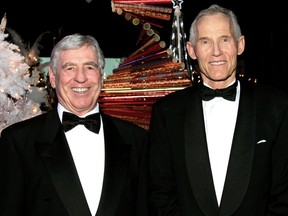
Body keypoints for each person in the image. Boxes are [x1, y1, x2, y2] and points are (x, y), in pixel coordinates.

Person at [147, 4, 288, 216]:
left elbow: (283, 195)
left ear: (240, 45)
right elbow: (160, 193)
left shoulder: (277, 107)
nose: (216, 52)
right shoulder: (166, 113)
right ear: (191, 50)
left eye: (224, 39)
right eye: (205, 41)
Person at [0, 33, 148, 216]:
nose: (80, 78)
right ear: (53, 78)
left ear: (102, 76)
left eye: (89, 67)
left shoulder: (136, 140)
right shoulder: (19, 142)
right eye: (69, 68)